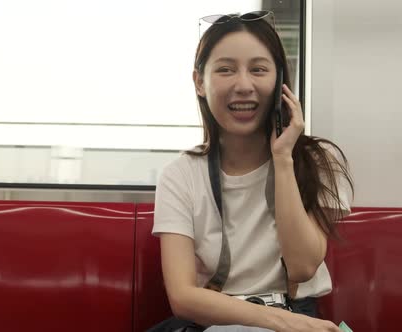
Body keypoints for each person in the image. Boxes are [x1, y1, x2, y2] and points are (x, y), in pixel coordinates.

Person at [149, 12, 353, 332]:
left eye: (258, 69)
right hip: (220, 322)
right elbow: (184, 296)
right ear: (200, 82)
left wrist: (283, 157)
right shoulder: (180, 175)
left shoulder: (318, 161)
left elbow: (302, 266)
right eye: (226, 70)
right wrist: (280, 321)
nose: (243, 85)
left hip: (296, 311)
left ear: (280, 81)